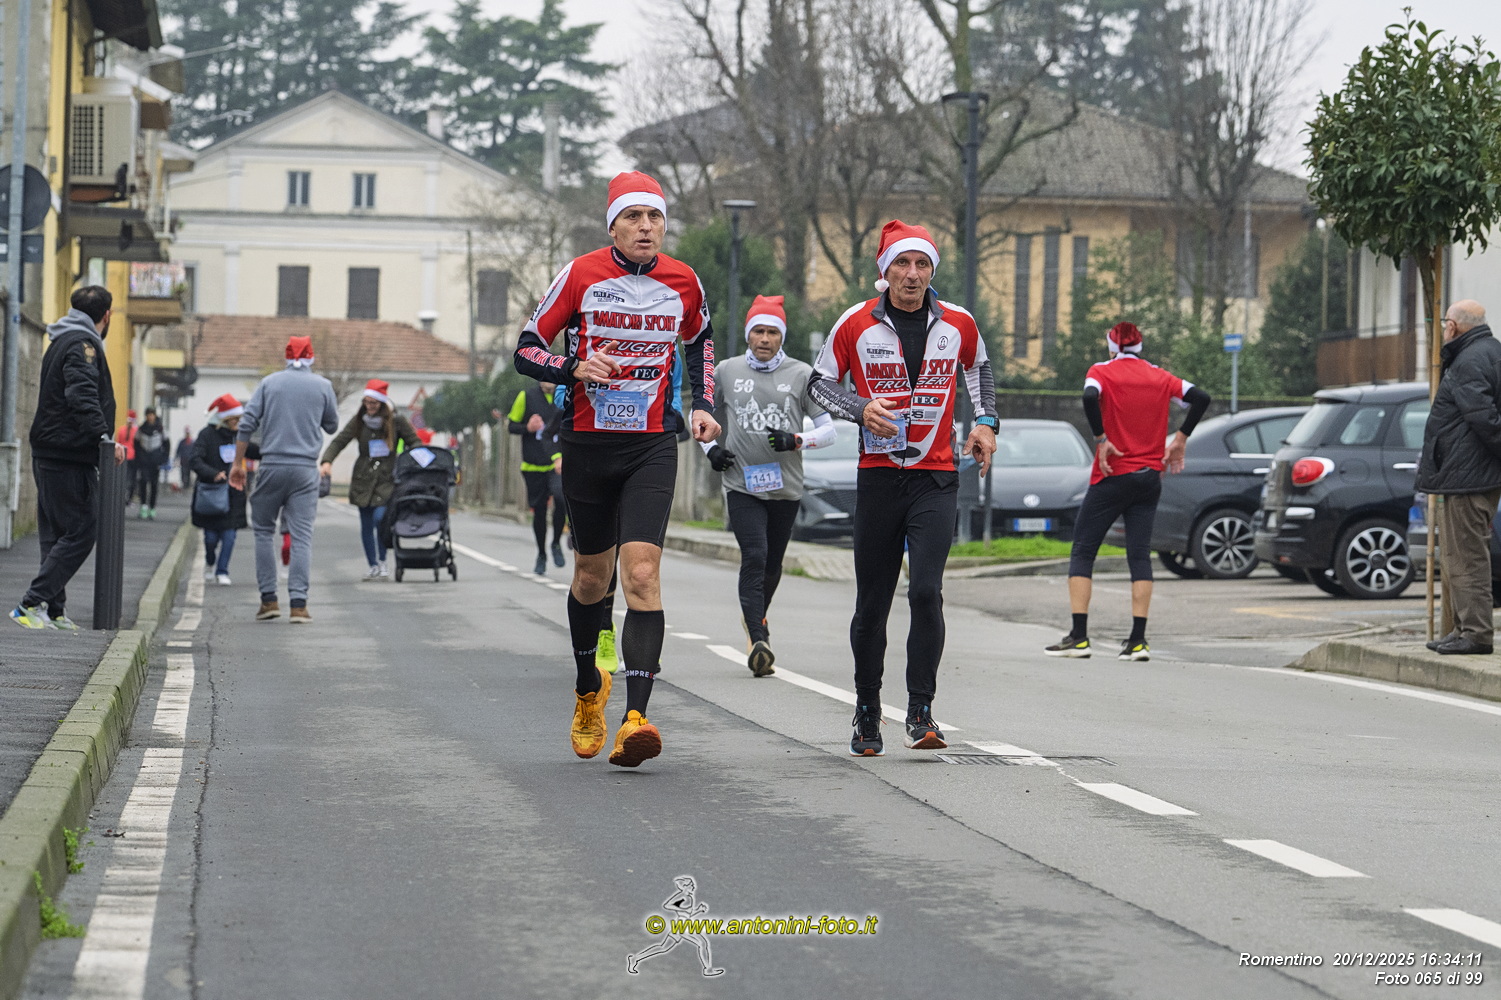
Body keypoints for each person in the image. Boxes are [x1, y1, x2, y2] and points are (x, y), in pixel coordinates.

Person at [513, 170, 721, 767]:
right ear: (613, 226)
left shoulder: (684, 280)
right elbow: (526, 349)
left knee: (643, 574)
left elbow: (701, 342)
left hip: (651, 444)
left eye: (655, 217)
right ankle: (589, 690)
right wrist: (573, 367)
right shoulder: (580, 275)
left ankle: (636, 719)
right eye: (633, 217)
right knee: (590, 579)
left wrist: (703, 404)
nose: (646, 227)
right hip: (587, 444)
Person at [809, 220, 998, 757]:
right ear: (885, 271)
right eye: (902, 264)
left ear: (932, 271)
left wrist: (986, 424)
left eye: (922, 265)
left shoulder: (958, 322)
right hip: (878, 479)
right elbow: (818, 383)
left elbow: (979, 371)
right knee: (872, 603)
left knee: (925, 591)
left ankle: (920, 710)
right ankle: (868, 710)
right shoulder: (855, 323)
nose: (912, 275)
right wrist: (859, 408)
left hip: (936, 478)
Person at [1044, 321, 1210, 662]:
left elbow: (1089, 396)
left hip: (1112, 474)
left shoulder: (1101, 371)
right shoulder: (1161, 376)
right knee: (1139, 555)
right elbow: (1201, 398)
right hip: (1149, 478)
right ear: (1140, 346)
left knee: (1083, 550)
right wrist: (1180, 438)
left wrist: (1101, 439)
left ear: (1112, 346)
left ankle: (1079, 637)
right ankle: (1137, 641)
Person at [703, 294, 836, 676]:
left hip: (786, 487)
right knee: (755, 555)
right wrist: (711, 450)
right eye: (758, 331)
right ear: (748, 334)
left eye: (772, 332)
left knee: (773, 563)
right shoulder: (726, 371)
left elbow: (828, 431)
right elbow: (702, 416)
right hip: (741, 483)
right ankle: (759, 636)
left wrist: (797, 440)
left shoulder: (802, 374)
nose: (764, 338)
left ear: (782, 337)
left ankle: (755, 616)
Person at [11, 286, 126, 630]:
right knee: (82, 529)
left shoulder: (61, 339)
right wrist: (104, 439)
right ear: (107, 316)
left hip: (53, 451)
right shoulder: (82, 346)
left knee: (55, 534)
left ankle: (53, 610)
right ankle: (30, 603)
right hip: (68, 453)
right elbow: (81, 394)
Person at [229, 335, 340, 622]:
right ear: (312, 356)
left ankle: (269, 601)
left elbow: (246, 424)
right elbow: (332, 425)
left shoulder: (269, 384)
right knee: (302, 536)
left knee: (264, 531)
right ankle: (299, 605)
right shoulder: (323, 386)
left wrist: (237, 464)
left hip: (272, 466)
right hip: (305, 469)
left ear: (287, 355)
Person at [1416, 300, 1501, 655]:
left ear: (1453, 326)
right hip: (1473, 474)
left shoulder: (1468, 360)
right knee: (1458, 555)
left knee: (1466, 558)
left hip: (1469, 476)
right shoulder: (1491, 351)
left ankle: (1476, 634)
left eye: (1445, 322)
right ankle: (1462, 628)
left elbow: (1484, 418)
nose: (1443, 328)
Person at [319, 378, 420, 580]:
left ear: (382, 403)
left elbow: (415, 442)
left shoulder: (396, 421)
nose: (369, 407)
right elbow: (340, 441)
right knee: (365, 524)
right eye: (366, 403)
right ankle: (372, 565)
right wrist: (327, 461)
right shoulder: (359, 420)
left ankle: (383, 561)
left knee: (380, 519)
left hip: (386, 478)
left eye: (373, 403)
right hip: (363, 479)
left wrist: (420, 462)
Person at [191, 395, 259, 584]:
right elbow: (195, 459)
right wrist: (212, 474)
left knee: (229, 536)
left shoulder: (239, 437)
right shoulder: (206, 435)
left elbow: (255, 451)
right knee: (210, 538)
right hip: (211, 494)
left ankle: (222, 571)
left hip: (233, 494)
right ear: (225, 418)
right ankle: (210, 562)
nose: (238, 422)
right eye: (235, 419)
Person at [507, 380, 567, 575]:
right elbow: (511, 426)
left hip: (557, 464)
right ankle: (541, 554)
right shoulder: (526, 396)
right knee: (539, 511)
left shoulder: (563, 395)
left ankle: (556, 542)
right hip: (533, 464)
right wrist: (528, 428)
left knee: (561, 499)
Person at [132, 407, 166, 519]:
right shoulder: (141, 429)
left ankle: (152, 507)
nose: (150, 417)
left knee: (154, 484)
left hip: (155, 461)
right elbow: (136, 443)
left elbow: (166, 444)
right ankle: (143, 506)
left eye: (152, 415)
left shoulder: (160, 429)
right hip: (144, 460)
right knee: (143, 482)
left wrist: (163, 458)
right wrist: (139, 457)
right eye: (148, 415)